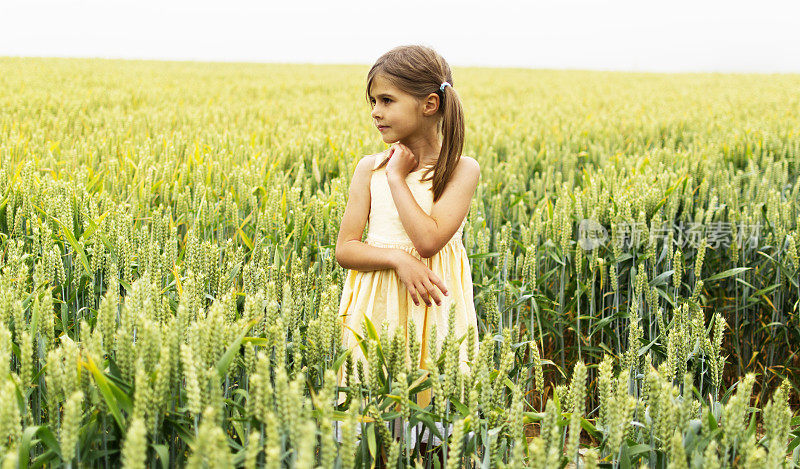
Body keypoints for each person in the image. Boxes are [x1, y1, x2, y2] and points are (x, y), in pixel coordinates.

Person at [334, 44, 480, 452]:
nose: (375, 112)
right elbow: (345, 249)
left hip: (432, 310)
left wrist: (398, 178)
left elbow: (429, 240)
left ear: (429, 104)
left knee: (431, 417)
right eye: (372, 102)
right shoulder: (368, 167)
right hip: (377, 310)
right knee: (374, 415)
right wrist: (397, 260)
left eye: (386, 100)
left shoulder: (460, 170)